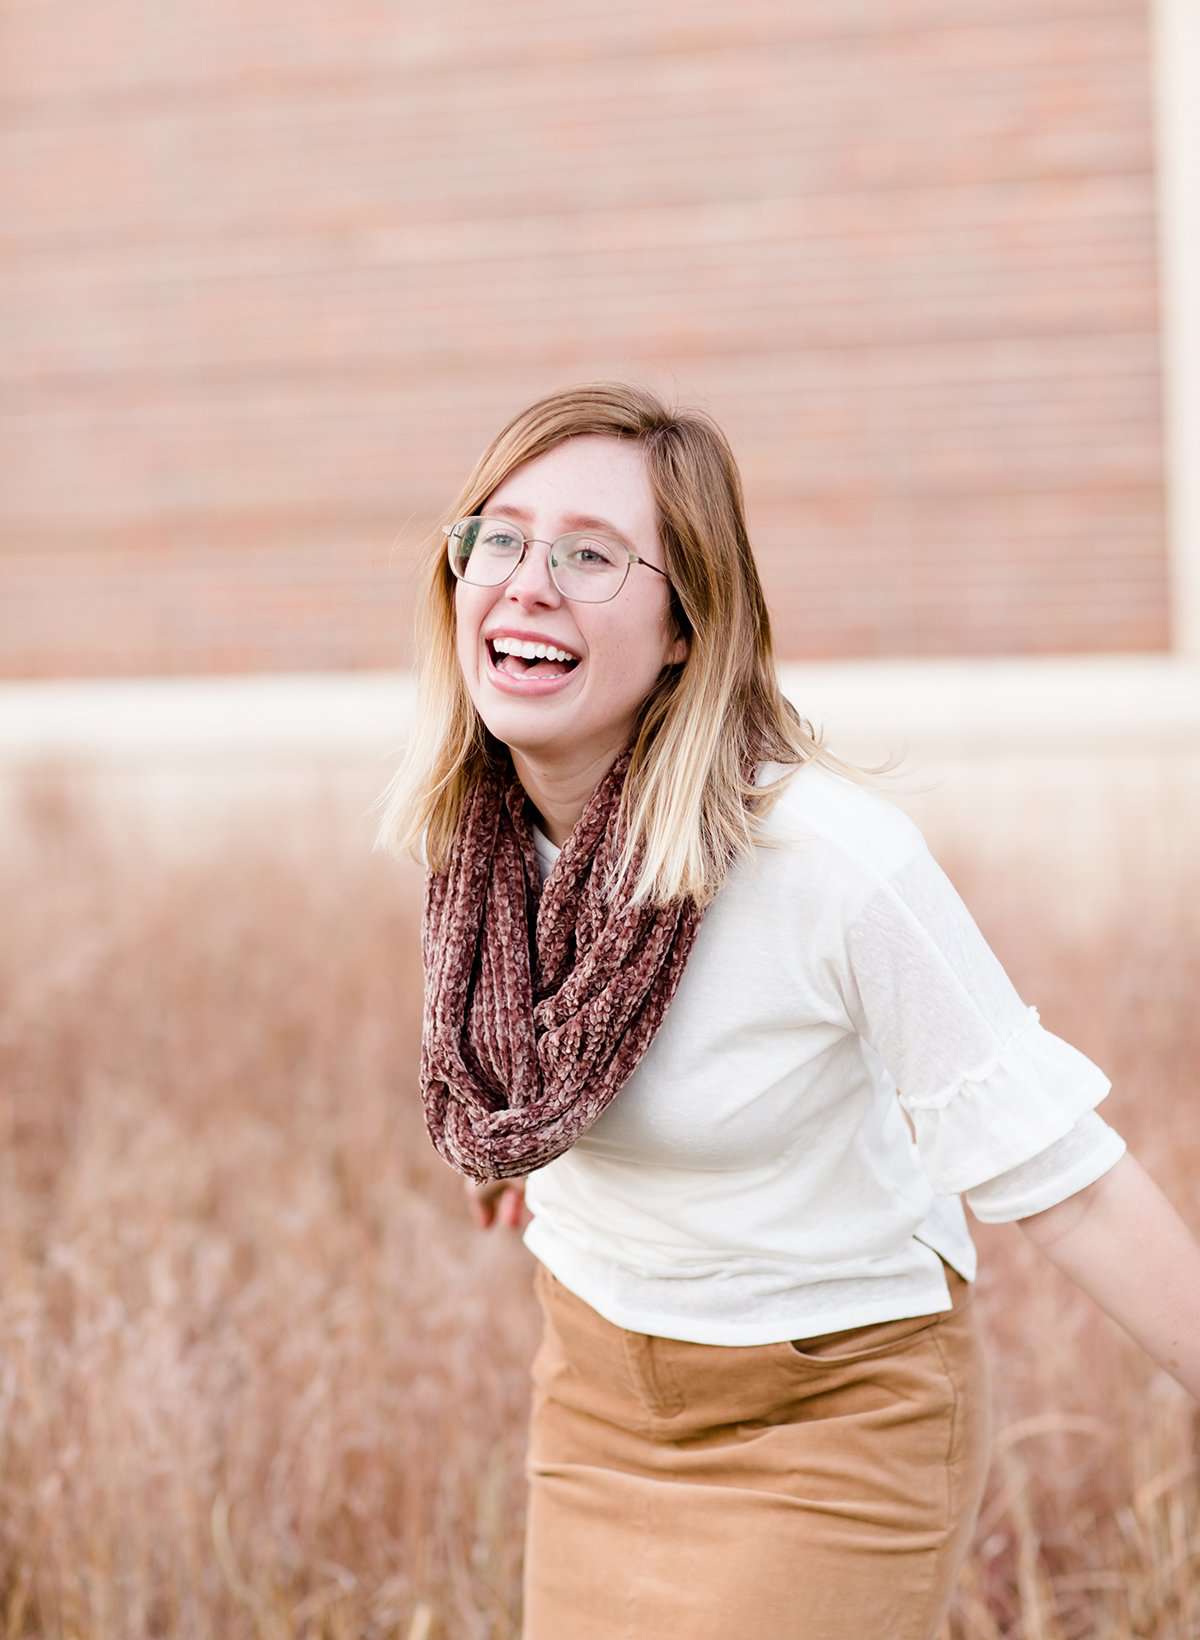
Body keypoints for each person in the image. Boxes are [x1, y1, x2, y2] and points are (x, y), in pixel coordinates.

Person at [373, 381, 1200, 1639]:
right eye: (500, 536)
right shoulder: (475, 841)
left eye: (591, 554)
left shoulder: (827, 859)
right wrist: (521, 1151)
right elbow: (533, 1057)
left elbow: (1066, 1177)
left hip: (833, 1414)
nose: (528, 580)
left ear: (686, 624)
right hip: (594, 1397)